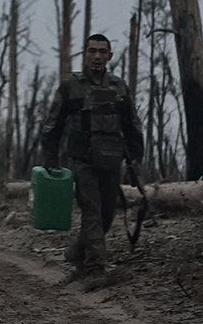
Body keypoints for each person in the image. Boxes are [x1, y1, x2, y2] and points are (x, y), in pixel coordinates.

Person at [37, 33, 145, 291]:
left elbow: (132, 125)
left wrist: (136, 160)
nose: (97, 56)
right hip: (81, 160)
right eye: (92, 51)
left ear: (109, 56)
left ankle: (76, 252)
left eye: (102, 52)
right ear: (84, 54)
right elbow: (52, 124)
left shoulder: (119, 87)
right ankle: (95, 269)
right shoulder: (70, 86)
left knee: (107, 215)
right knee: (92, 212)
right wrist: (51, 159)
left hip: (111, 160)